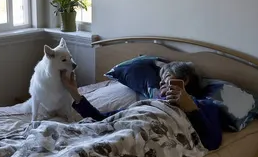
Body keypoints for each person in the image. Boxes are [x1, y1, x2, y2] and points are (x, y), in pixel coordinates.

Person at [60, 62, 224, 150]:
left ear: (184, 80)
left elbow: (212, 142)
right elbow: (102, 119)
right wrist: (74, 92)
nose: (161, 85)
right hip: (121, 132)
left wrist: (191, 108)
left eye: (166, 78)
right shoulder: (151, 103)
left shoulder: (205, 105)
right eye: (160, 81)